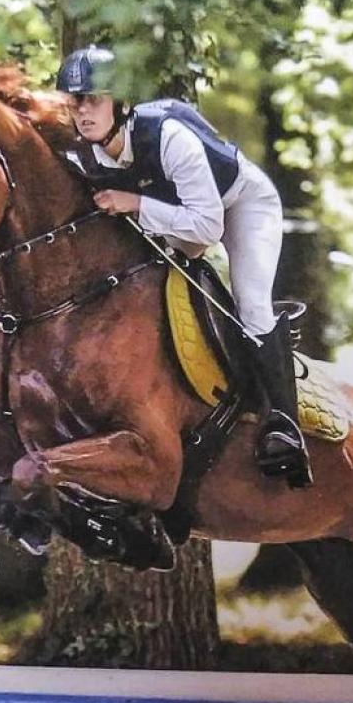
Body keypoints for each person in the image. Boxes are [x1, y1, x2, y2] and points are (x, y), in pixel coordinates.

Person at [55, 45, 312, 489]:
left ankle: (284, 426)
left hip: (239, 205)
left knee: (250, 305)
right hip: (176, 219)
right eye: (75, 101)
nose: (82, 112)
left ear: (121, 103)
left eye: (93, 99)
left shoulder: (169, 135)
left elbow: (207, 228)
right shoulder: (82, 153)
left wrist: (134, 202)